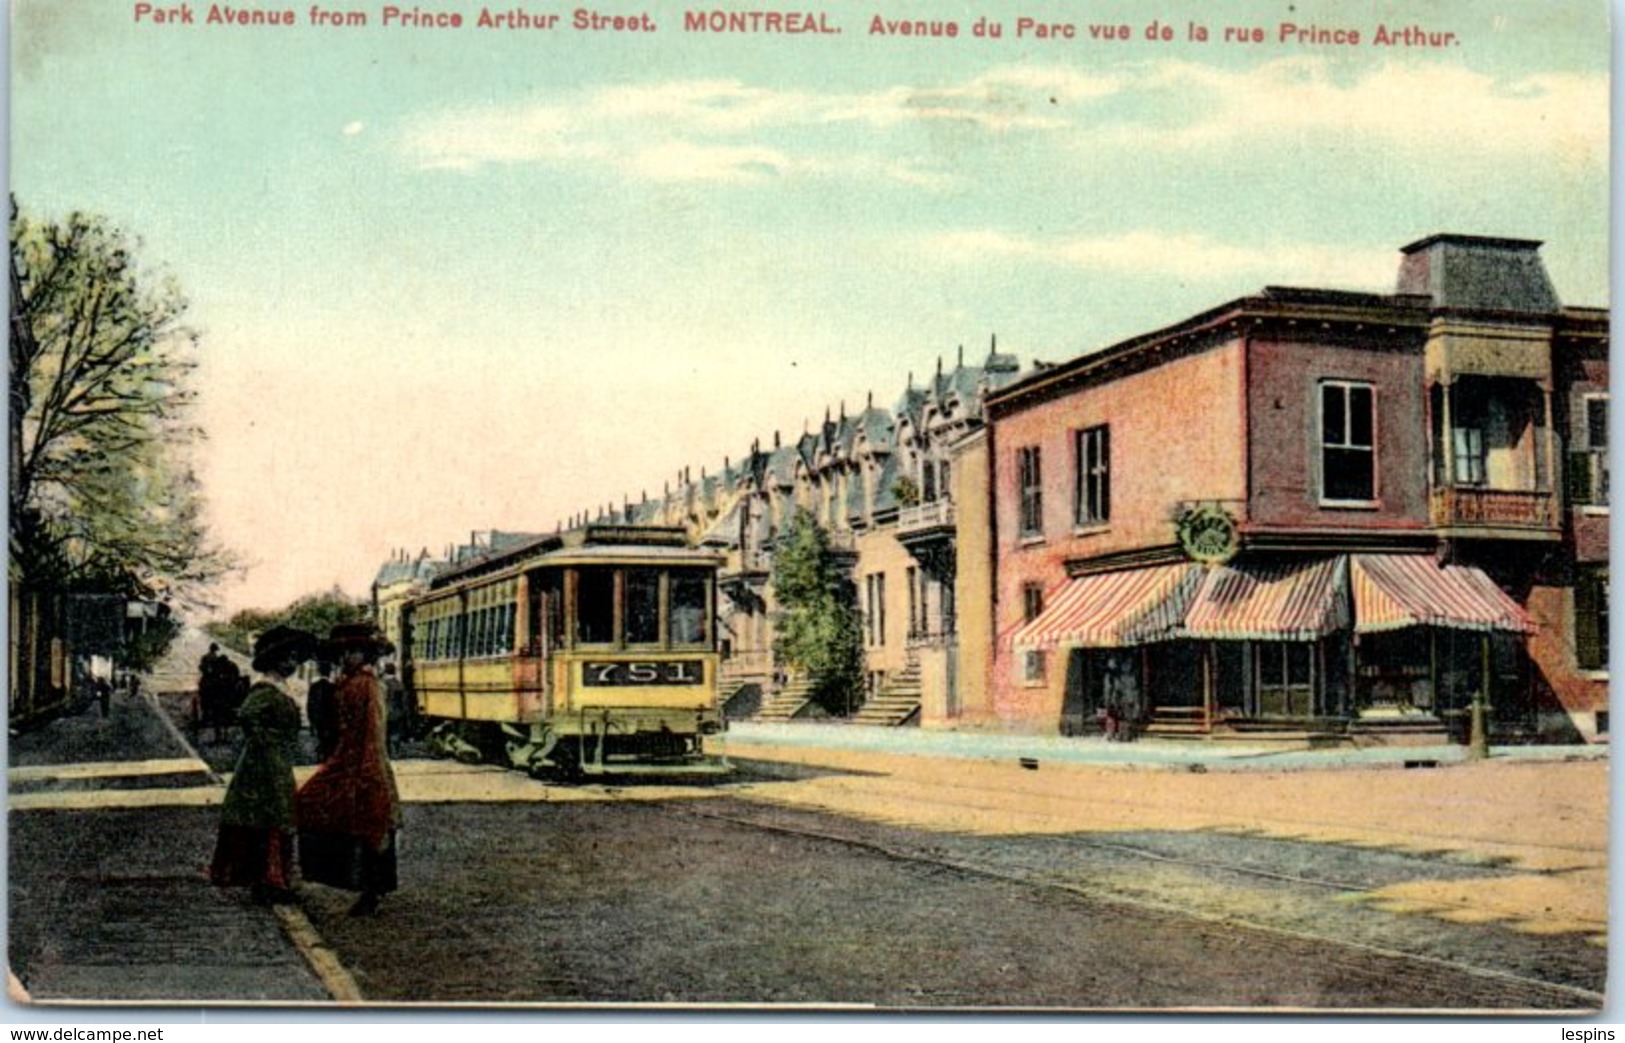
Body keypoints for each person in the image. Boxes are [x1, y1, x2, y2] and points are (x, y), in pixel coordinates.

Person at [296, 623, 402, 917]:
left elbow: (371, 731)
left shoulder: (366, 684)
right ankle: (358, 884)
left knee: (371, 824)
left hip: (364, 762)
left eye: (352, 652)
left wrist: (365, 768)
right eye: (343, 653)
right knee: (334, 813)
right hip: (349, 758)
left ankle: (371, 890)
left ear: (365, 654)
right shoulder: (349, 682)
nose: (346, 657)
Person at [209, 625, 315, 906]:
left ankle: (274, 878)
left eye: (294, 658)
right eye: (286, 658)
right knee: (267, 819)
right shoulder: (266, 688)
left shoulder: (280, 687)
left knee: (277, 817)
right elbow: (247, 715)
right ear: (273, 660)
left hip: (276, 761)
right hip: (262, 764)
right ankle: (268, 880)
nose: (292, 664)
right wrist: (268, 741)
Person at [306, 660, 339, 762]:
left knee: (320, 741)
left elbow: (310, 705)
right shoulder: (333, 687)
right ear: (329, 672)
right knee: (330, 744)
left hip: (319, 720)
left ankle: (320, 759)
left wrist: (311, 721)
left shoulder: (314, 686)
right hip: (330, 721)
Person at [381, 662, 410, 756]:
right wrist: (405, 712)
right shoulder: (398, 684)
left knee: (386, 733)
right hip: (397, 712)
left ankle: (387, 752)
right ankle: (396, 752)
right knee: (396, 732)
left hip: (384, 711)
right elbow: (404, 700)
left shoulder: (382, 684)